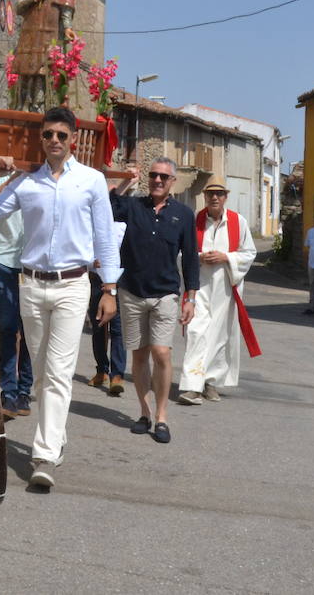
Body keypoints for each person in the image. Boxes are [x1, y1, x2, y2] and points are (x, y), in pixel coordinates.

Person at [0, 106, 120, 489]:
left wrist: (110, 289)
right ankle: (56, 437)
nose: (54, 140)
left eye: (61, 135)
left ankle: (44, 455)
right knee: (40, 373)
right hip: (32, 285)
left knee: (58, 371)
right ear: (41, 139)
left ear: (73, 139)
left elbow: (105, 237)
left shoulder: (91, 181)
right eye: (48, 135)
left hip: (73, 285)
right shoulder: (26, 183)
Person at [107, 158, 197, 443]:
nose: (157, 180)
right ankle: (144, 412)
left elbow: (191, 257)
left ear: (173, 182)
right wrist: (126, 182)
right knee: (139, 354)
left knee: (162, 353)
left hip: (166, 294)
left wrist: (190, 298)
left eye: (163, 177)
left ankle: (161, 417)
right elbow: (107, 206)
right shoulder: (134, 206)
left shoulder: (183, 214)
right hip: (132, 292)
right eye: (153, 175)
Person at [178, 182, 257, 405]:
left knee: (220, 334)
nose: (215, 197)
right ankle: (192, 386)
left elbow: (249, 253)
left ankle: (210, 382)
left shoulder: (238, 222)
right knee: (196, 331)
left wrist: (227, 258)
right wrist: (199, 257)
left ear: (225, 197)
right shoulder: (193, 220)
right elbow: (178, 253)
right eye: (211, 193)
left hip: (225, 288)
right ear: (204, 196)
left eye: (219, 194)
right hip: (198, 287)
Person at [0, 174, 32, 420]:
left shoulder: (45, 178)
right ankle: (9, 391)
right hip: (4, 262)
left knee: (29, 333)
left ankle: (25, 390)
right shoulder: (5, 179)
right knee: (8, 329)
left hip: (34, 265)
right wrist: (16, 175)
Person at [12, 0, 76, 111]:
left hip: (51, 33)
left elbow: (66, 10)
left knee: (43, 71)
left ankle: (40, 107)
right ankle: (23, 105)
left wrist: (68, 28)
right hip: (30, 33)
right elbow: (19, 7)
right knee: (27, 70)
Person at [86, 230, 127, 398]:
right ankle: (101, 370)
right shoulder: (92, 220)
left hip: (120, 278)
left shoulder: (127, 222)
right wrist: (90, 262)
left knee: (118, 329)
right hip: (96, 277)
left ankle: (117, 376)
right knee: (98, 326)